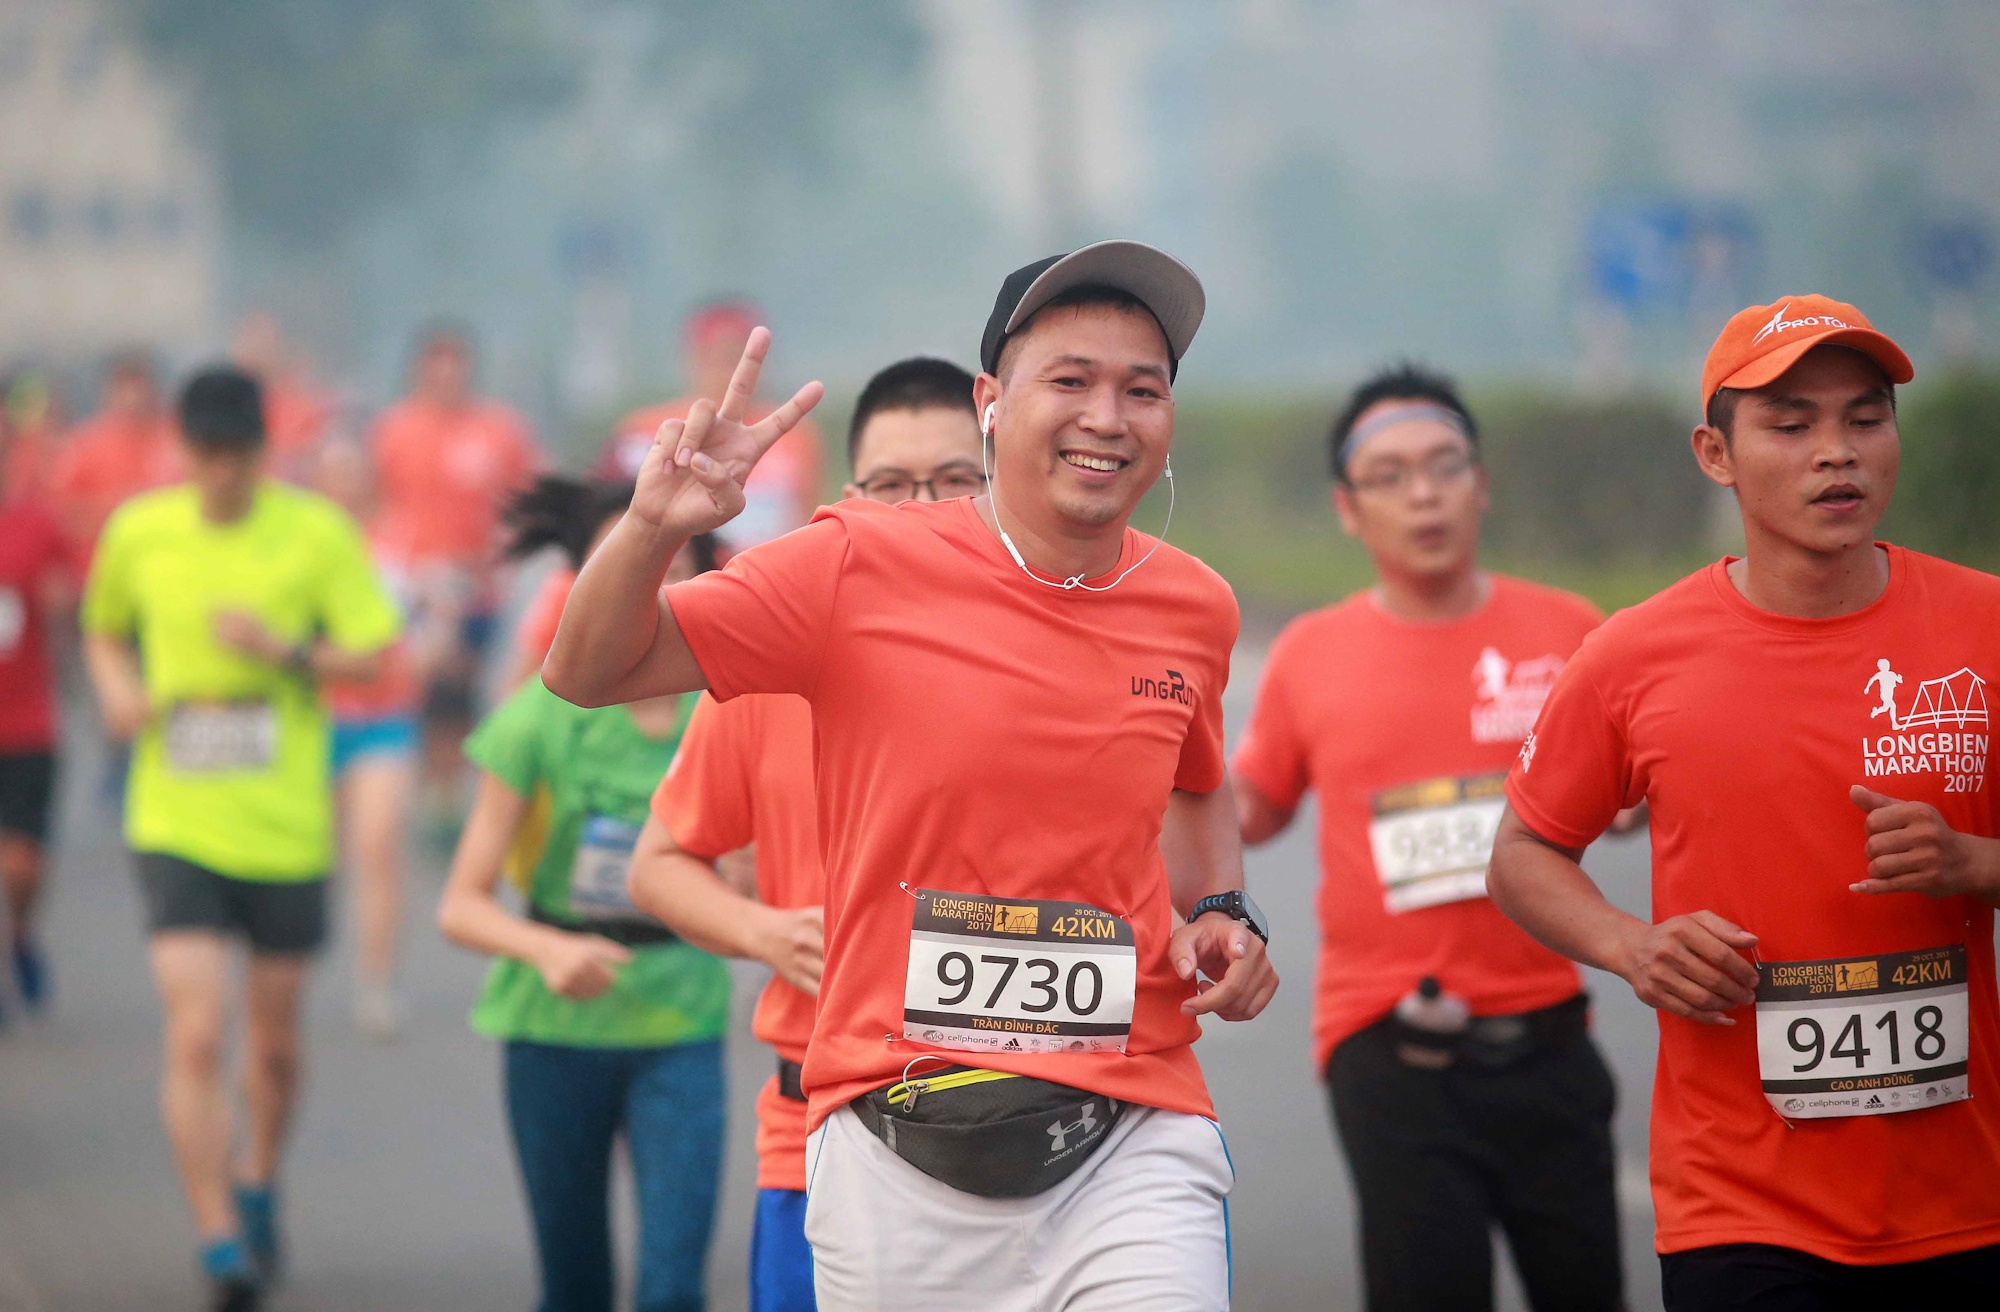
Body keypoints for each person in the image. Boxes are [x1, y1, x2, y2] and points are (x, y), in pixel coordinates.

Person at [547, 240, 1279, 1312]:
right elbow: (583, 669)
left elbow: (1197, 776)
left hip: (1131, 1126)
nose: (1106, 417)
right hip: (895, 1148)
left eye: (1142, 389)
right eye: (1068, 380)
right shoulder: (854, 564)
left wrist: (1220, 905)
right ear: (992, 401)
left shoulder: (1193, 606)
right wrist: (653, 526)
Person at [1489, 295, 2000, 1309]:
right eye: (1790, 423)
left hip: (1960, 1198)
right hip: (1739, 1205)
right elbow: (1520, 856)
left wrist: (1977, 866)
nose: (1836, 453)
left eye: (1863, 417)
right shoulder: (1634, 655)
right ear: (1714, 455)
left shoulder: (1982, 623)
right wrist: (1631, 946)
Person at [1233, 364, 1626, 1312]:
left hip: (1550, 1033)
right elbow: (1250, 805)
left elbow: (1640, 793)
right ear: (1346, 507)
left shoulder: (1571, 633)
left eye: (1444, 465)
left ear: (1481, 482)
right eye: (1390, 474)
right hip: (1388, 1042)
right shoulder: (1310, 655)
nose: (1423, 494)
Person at [630, 355, 987, 1312]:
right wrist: (764, 933)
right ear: (850, 499)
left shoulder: (1063, 663)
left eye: (956, 482)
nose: (924, 509)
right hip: (821, 1129)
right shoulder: (771, 663)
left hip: (1029, 1130)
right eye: (893, 486)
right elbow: (660, 864)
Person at [80, 365, 400, 1311]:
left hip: (285, 823)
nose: (221, 476)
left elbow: (374, 653)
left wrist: (284, 651)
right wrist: (114, 688)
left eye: (237, 457)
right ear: (184, 451)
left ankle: (259, 1173)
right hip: (174, 814)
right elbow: (102, 628)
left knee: (272, 1044)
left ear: (263, 452)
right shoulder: (140, 531)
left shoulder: (317, 532)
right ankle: (218, 1235)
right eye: (205, 456)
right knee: (195, 1032)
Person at [436, 475, 727, 1312]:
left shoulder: (732, 710)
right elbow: (460, 903)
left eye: (674, 559)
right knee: (575, 1287)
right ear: (584, 584)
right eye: (626, 560)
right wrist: (549, 948)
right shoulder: (537, 720)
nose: (651, 583)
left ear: (707, 574)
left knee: (674, 1289)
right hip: (554, 1032)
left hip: (682, 1020)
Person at [367, 322, 540, 811]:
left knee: (465, 684)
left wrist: (500, 558)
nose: (446, 374)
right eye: (435, 363)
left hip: (478, 584)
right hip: (417, 584)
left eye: (455, 363)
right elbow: (377, 500)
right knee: (426, 680)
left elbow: (524, 499)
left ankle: (452, 787)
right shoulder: (394, 431)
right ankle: (426, 778)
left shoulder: (498, 431)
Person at [313, 434, 425, 1038]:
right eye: (332, 472)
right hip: (312, 717)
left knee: (377, 849)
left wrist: (432, 645)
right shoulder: (297, 543)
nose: (344, 483)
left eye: (352, 471)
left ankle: (376, 980)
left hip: (386, 714)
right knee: (311, 854)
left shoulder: (400, 535)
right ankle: (284, 966)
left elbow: (436, 607)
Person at [596, 300, 824, 550]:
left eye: (738, 355)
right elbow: (605, 522)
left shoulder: (794, 435)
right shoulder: (642, 431)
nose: (729, 369)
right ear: (692, 358)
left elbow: (803, 525)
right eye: (718, 355)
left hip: (761, 577)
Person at [0, 423, 74, 1019]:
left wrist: (60, 604)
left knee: (23, 864)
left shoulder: (37, 524)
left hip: (27, 721)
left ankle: (20, 933)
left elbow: (75, 595)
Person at [49, 350, 184, 559]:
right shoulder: (84, 445)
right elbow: (60, 513)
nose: (134, 394)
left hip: (167, 558)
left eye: (139, 382)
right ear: (108, 391)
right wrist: (118, 506)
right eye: (124, 384)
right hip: (103, 562)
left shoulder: (178, 437)